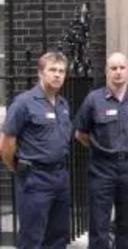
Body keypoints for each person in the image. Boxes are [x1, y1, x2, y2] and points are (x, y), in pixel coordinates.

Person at [74, 52, 128, 249]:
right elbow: (81, 133)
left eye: (122, 68)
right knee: (99, 225)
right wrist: (101, 147)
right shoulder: (93, 100)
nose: (118, 72)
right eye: (113, 68)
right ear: (106, 72)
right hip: (101, 168)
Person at [1, 52, 71, 249]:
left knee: (58, 237)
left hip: (60, 177)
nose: (57, 75)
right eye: (52, 70)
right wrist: (16, 167)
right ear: (41, 73)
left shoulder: (63, 105)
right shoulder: (23, 103)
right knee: (32, 238)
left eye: (61, 71)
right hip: (35, 179)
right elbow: (6, 143)